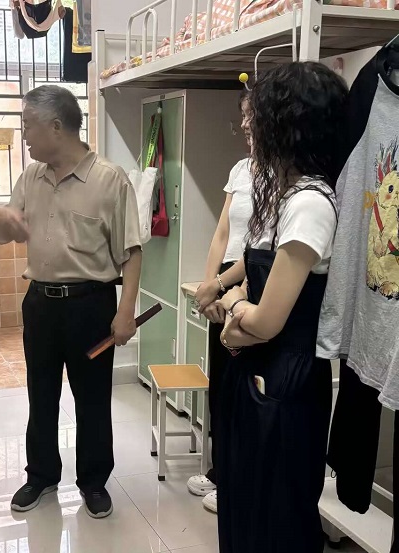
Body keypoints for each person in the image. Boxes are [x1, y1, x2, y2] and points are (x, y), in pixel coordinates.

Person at [0, 85, 142, 519]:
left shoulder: (109, 179)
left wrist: (125, 312)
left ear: (56, 126)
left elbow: (131, 252)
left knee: (92, 399)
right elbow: (2, 233)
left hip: (90, 305)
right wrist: (1, 218)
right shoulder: (31, 177)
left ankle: (93, 482)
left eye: (27, 126)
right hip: (40, 303)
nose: (24, 135)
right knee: (41, 394)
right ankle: (40, 475)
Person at [213, 63, 347, 553]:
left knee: (277, 518)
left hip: (285, 381)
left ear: (290, 124)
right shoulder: (282, 193)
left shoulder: (311, 203)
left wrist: (232, 303)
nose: (248, 125)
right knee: (243, 502)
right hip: (259, 370)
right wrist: (239, 312)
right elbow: (254, 297)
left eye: (259, 116)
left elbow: (266, 321)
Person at [186, 90, 253, 514]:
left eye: (251, 116)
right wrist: (209, 284)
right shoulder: (241, 169)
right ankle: (221, 470)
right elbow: (222, 232)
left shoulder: (287, 176)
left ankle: (238, 480)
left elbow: (263, 250)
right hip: (225, 276)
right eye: (242, 116)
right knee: (222, 387)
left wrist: (226, 287)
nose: (244, 124)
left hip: (253, 279)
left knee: (244, 387)